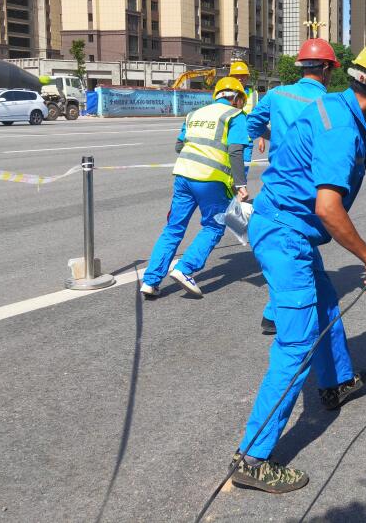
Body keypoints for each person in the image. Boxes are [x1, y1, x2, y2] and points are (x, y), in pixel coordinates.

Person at [230, 39, 366, 494]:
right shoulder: (343, 128)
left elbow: (318, 155)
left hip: (282, 226)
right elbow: (329, 208)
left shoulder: (333, 106)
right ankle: (252, 457)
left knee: (327, 302)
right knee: (296, 343)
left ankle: (335, 383)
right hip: (286, 236)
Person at [246, 37, 340, 335]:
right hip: (311, 183)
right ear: (326, 68)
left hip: (278, 181)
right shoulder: (330, 103)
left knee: (291, 246)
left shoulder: (277, 95)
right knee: (299, 245)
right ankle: (280, 315)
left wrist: (274, 138)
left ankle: (274, 313)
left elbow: (251, 125)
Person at [140, 77, 250, 298]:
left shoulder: (195, 115)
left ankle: (150, 281)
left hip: (183, 175)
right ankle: (185, 269)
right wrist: (241, 185)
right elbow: (236, 151)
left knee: (173, 227)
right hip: (210, 179)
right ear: (236, 98)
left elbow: (179, 145)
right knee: (214, 226)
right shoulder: (235, 116)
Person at [229, 60, 259, 172]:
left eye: (243, 76)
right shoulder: (225, 93)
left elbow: (259, 117)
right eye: (237, 76)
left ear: (247, 77)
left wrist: (261, 138)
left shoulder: (253, 95)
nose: (240, 79)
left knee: (242, 173)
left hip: (247, 140)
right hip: (229, 139)